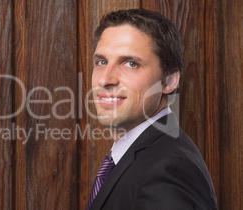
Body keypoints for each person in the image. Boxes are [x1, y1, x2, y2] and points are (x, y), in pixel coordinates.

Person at [86, 9, 218, 209]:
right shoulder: (137, 154)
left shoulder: (169, 169)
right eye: (101, 62)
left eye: (131, 64)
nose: (105, 79)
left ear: (169, 80)